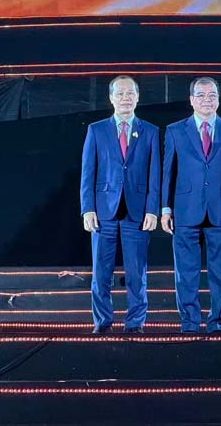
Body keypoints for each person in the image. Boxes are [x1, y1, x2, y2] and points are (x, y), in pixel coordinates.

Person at [160, 77, 221, 334]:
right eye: (201, 95)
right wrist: (165, 209)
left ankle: (219, 323)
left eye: (212, 95)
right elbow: (168, 172)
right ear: (191, 100)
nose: (207, 100)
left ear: (219, 99)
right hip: (185, 211)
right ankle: (189, 323)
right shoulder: (175, 130)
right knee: (186, 274)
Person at [79, 75, 160, 334]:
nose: (126, 98)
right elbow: (88, 172)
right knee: (101, 273)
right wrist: (87, 208)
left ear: (138, 97)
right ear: (111, 98)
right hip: (103, 212)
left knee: (137, 274)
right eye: (120, 93)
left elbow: (154, 175)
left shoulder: (150, 131)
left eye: (130, 93)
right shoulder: (96, 130)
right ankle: (102, 323)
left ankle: (135, 324)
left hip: (137, 213)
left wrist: (153, 210)